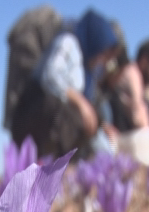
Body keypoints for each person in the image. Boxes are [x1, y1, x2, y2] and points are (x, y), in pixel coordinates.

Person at [10, 9, 119, 158]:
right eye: (103, 54)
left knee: (93, 115)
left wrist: (110, 155)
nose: (103, 61)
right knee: (74, 112)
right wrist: (81, 103)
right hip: (33, 112)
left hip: (51, 117)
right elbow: (50, 76)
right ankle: (46, 162)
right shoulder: (68, 42)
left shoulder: (85, 68)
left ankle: (64, 162)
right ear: (95, 40)